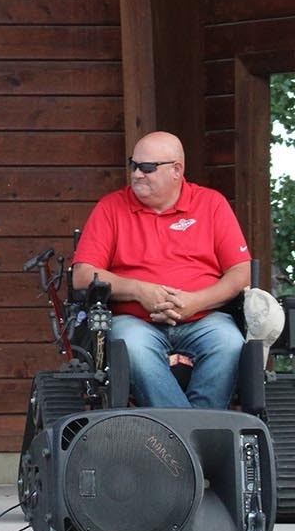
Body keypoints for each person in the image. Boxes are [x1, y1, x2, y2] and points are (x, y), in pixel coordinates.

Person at [71, 131, 252, 409]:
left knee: (229, 343)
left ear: (176, 170)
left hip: (203, 318)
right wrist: (139, 290)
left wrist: (195, 302)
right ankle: (192, 437)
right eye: (134, 165)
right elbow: (83, 275)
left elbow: (241, 273)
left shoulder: (211, 204)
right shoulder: (111, 207)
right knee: (132, 346)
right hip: (136, 321)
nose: (137, 174)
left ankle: (191, 433)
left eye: (147, 168)